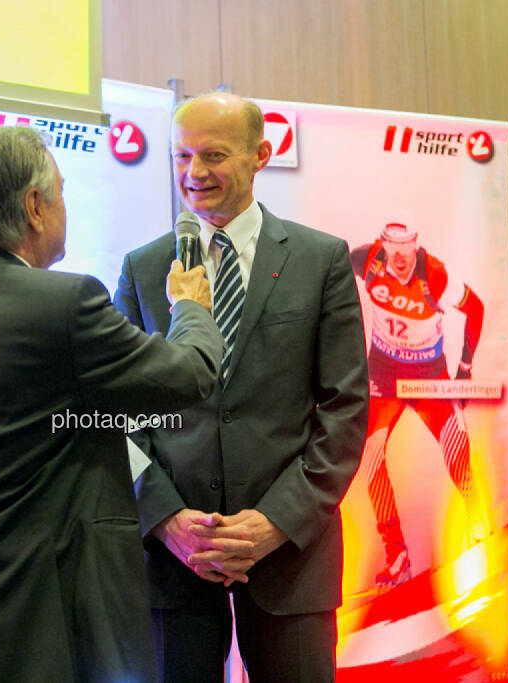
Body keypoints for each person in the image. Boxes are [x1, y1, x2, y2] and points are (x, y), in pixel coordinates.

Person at [0, 125, 226, 683]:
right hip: (37, 639)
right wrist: (191, 307)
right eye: (59, 192)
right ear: (35, 206)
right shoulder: (63, 304)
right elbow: (193, 373)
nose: (64, 207)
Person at [113, 92, 369, 682]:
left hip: (291, 560)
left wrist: (274, 522)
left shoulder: (320, 259)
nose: (193, 173)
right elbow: (114, 415)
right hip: (172, 562)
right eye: (181, 156)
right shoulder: (144, 267)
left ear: (262, 155)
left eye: (213, 155)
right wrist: (168, 520)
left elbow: (345, 408)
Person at [350, 221, 487, 587]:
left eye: (404, 247)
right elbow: (332, 283)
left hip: (428, 373)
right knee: (372, 456)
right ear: (382, 244)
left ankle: (477, 525)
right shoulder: (365, 260)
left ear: (415, 245)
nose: (397, 256)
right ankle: (396, 552)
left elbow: (476, 308)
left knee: (457, 450)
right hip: (384, 373)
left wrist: (465, 369)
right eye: (390, 247)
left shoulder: (435, 274)